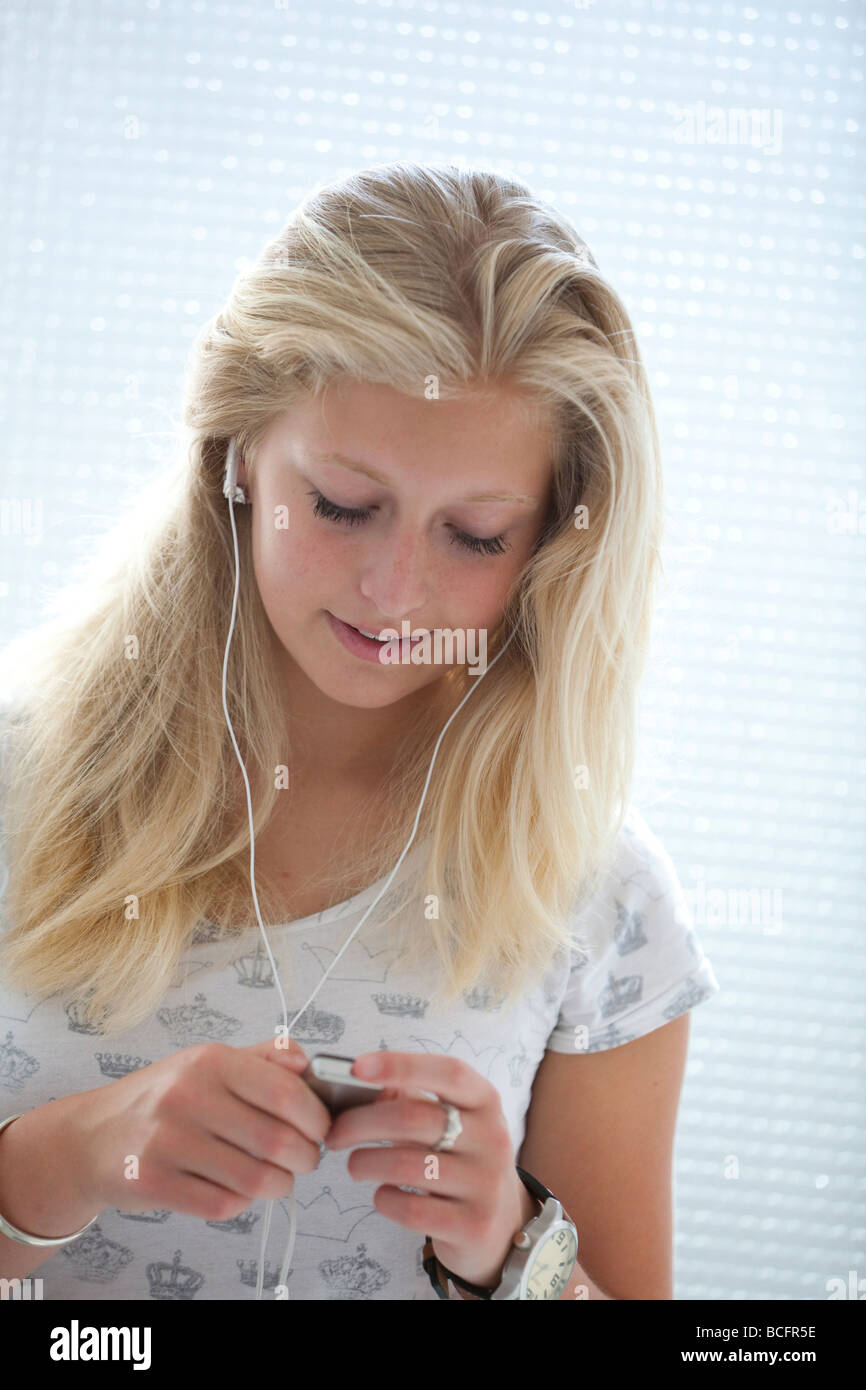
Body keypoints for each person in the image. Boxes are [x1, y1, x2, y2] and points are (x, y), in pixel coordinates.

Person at [0, 161, 719, 1301]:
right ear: (237, 452)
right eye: (341, 504)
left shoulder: (598, 898)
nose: (393, 591)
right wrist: (61, 1160)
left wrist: (512, 1244)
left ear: (546, 544)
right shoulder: (12, 781)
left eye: (473, 534)